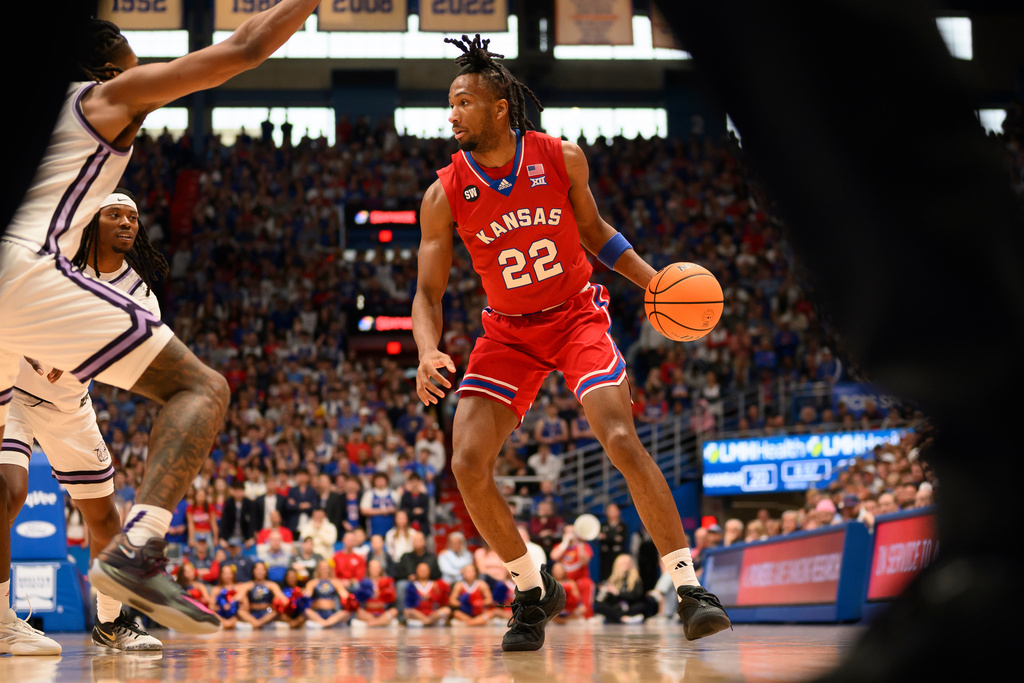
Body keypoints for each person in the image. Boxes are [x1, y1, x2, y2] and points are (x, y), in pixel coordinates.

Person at [0, 1, 323, 638]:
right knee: (201, 386)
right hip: (20, 274)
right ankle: (139, 549)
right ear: (105, 64)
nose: (140, 67)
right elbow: (247, 47)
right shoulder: (102, 99)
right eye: (130, 56)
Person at [412, 35, 729, 650]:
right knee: (468, 464)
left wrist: (654, 281)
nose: (452, 113)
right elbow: (427, 295)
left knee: (618, 437)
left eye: (463, 101)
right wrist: (428, 350)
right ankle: (533, 588)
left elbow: (596, 233)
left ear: (499, 107)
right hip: (506, 333)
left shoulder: (561, 158)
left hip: (576, 315)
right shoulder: (444, 193)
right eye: (450, 103)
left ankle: (690, 589)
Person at [0, 190, 167, 653]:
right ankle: (1, 620)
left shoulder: (142, 297)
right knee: (8, 493)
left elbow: (129, 357)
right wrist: (36, 345)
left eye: (132, 217)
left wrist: (75, 358)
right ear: (92, 221)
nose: (126, 222)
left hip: (70, 406)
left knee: (104, 519)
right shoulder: (54, 262)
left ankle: (111, 624)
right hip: (13, 391)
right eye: (114, 214)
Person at [592, 554, 659, 625]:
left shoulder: (636, 580)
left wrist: (617, 593)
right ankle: (624, 618)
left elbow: (635, 596)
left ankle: (617, 618)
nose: (626, 565)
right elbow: (604, 600)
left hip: (630, 607)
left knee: (641, 606)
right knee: (601, 606)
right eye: (623, 563)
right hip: (617, 607)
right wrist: (606, 591)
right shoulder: (611, 580)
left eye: (628, 563)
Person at [303, 560, 352, 630]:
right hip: (317, 613)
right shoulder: (312, 583)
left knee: (345, 613)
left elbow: (344, 595)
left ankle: (326, 623)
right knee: (307, 611)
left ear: (329, 569)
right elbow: (307, 595)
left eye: (326, 568)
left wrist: (346, 592)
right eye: (322, 568)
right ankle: (324, 623)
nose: (324, 570)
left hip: (332, 614)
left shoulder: (335, 582)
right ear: (318, 569)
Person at [236, 561, 286, 630]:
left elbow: (282, 598)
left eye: (262, 570)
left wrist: (279, 601)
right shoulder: (248, 585)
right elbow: (237, 598)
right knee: (240, 611)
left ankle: (258, 623)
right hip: (252, 612)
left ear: (265, 571)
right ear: (253, 571)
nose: (260, 572)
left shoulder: (272, 585)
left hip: (268, 612)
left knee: (276, 611)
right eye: (257, 570)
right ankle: (256, 622)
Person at [351, 558, 399, 628]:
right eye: (372, 567)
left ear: (380, 569)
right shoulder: (364, 582)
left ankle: (372, 623)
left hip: (382, 611)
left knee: (394, 611)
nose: (374, 569)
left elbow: (392, 599)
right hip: (368, 612)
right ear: (369, 569)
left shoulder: (386, 581)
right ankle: (381, 622)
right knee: (359, 612)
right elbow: (359, 600)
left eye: (377, 567)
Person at [403, 562, 451, 628]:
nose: (423, 572)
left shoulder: (435, 584)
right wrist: (419, 597)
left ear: (429, 571)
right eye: (421, 570)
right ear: (416, 571)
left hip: (432, 613)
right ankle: (429, 622)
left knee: (447, 610)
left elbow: (441, 601)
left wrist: (433, 595)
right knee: (407, 611)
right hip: (418, 613)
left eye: (425, 570)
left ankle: (425, 622)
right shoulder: (412, 585)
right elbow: (409, 602)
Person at [598, 503, 628, 581]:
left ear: (619, 512)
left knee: (619, 576)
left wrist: (606, 537)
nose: (612, 512)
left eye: (614, 510)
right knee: (605, 578)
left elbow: (621, 540)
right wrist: (613, 538)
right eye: (610, 510)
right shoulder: (602, 525)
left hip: (618, 556)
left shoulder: (623, 526)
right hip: (605, 558)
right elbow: (600, 539)